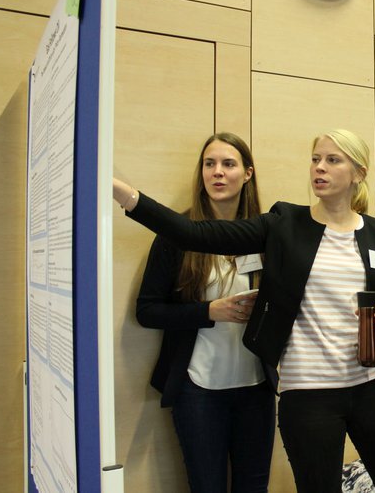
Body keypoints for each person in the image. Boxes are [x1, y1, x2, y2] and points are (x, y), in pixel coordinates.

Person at [114, 129, 375, 493]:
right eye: (315, 159)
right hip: (310, 393)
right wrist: (127, 196)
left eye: (332, 160)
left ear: (358, 173)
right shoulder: (284, 223)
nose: (319, 168)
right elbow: (194, 234)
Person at [135, 132, 275, 493]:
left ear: (247, 174)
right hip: (198, 391)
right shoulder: (175, 235)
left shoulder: (268, 235)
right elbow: (147, 311)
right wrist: (208, 311)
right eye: (209, 164)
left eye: (228, 164)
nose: (217, 172)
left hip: (257, 389)